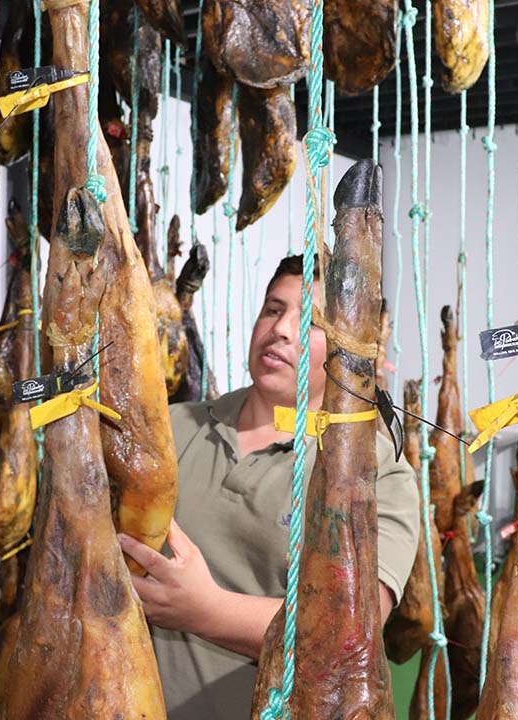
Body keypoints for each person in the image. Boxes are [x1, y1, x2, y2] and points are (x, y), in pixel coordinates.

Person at [119, 254, 421, 720]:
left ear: (355, 349)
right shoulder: (171, 427)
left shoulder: (380, 475)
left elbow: (351, 630)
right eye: (273, 308)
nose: (282, 329)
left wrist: (205, 610)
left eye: (312, 322)